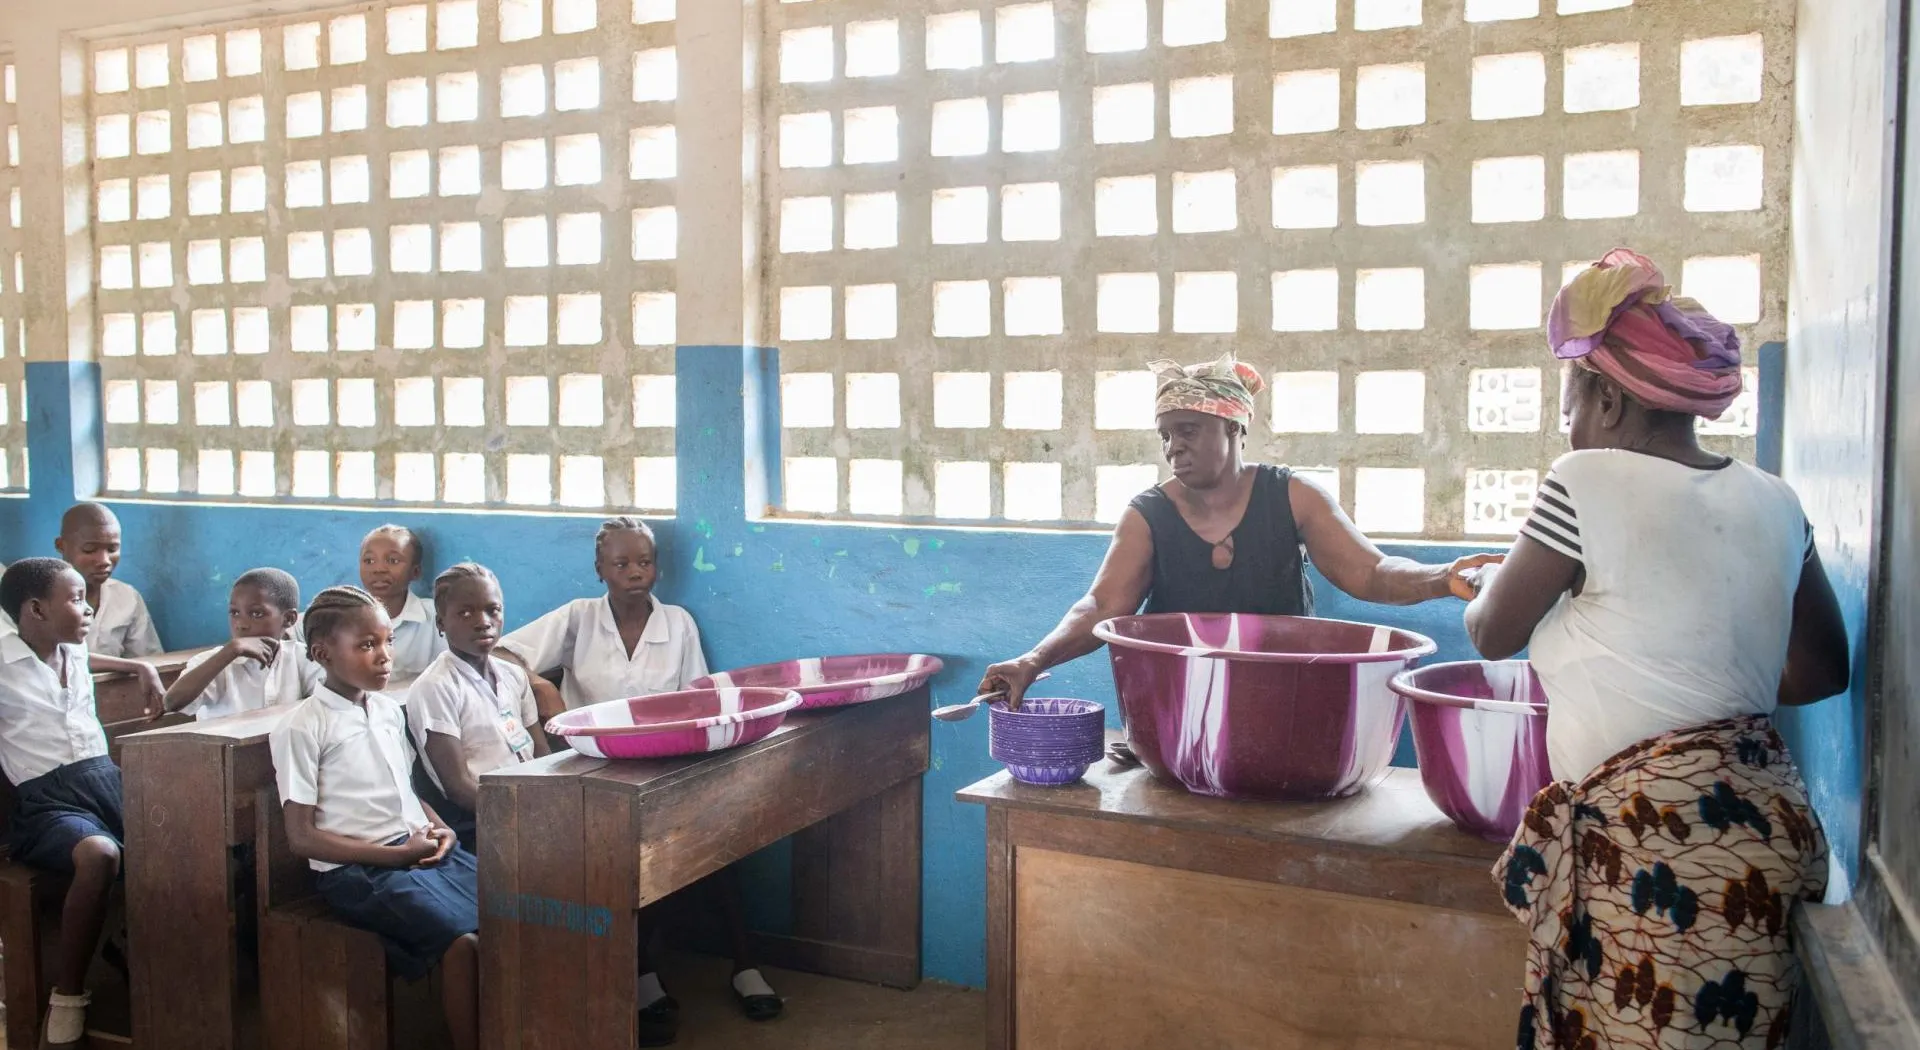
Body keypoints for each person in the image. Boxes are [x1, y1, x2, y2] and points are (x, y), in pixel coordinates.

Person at [1462, 249, 1850, 1050]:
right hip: (1764, 838)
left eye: (1570, 404)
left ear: (1606, 398)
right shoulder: (1778, 499)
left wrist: (1487, 584)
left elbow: (1493, 632)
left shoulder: (1583, 478)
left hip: (1656, 857)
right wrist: (1705, 679)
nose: (1569, 426)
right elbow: (1821, 671)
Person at [981, 353, 1496, 705]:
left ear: (1234, 427)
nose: (1173, 448)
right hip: (1180, 706)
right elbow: (1100, 606)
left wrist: (1444, 576)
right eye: (1166, 436)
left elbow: (1373, 572)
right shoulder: (1148, 515)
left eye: (1188, 431)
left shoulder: (1292, 496)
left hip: (1284, 699)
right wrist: (1032, 661)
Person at [496, 517, 779, 1045]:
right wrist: (543, 687)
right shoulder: (578, 618)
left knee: (718, 845)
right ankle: (644, 973)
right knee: (623, 859)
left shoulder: (678, 623)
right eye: (621, 563)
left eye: (644, 562)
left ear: (658, 568)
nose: (634, 572)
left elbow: (699, 699)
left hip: (667, 766)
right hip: (592, 771)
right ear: (599, 569)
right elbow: (502, 653)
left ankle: (744, 965)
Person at [269, 586, 479, 1050]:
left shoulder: (386, 710)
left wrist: (440, 826)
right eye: (367, 645)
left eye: (387, 641)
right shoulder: (302, 727)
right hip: (358, 872)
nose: (384, 656)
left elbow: (407, 792)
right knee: (463, 942)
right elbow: (301, 838)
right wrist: (397, 856)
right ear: (322, 654)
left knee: (510, 911)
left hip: (415, 851)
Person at [0, 559, 165, 1048]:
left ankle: (136, 948)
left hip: (105, 783)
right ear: (35, 610)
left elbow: (87, 659)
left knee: (186, 834)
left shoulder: (71, 650)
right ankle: (68, 995)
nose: (88, 607)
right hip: (47, 803)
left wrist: (139, 665)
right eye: (75, 599)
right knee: (99, 854)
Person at [407, 563, 546, 852]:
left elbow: (542, 753)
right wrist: (526, 813)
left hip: (535, 802)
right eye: (465, 613)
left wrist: (557, 801)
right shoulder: (437, 686)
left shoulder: (513, 675)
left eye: (493, 610)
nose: (483, 622)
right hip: (480, 819)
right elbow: (457, 787)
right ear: (441, 623)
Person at [159, 568, 322, 720]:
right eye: (234, 613)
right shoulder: (211, 663)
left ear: (289, 619)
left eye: (257, 614)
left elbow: (331, 703)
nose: (241, 624)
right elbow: (172, 702)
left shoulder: (302, 657)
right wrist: (231, 650)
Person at [54, 502, 162, 658]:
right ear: (61, 546)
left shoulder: (127, 597)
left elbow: (148, 659)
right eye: (90, 550)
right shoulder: (39, 599)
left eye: (112, 549)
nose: (104, 560)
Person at [353, 525, 447, 687]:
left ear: (415, 572)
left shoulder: (436, 617)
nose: (379, 569)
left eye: (393, 561)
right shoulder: (341, 620)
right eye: (369, 561)